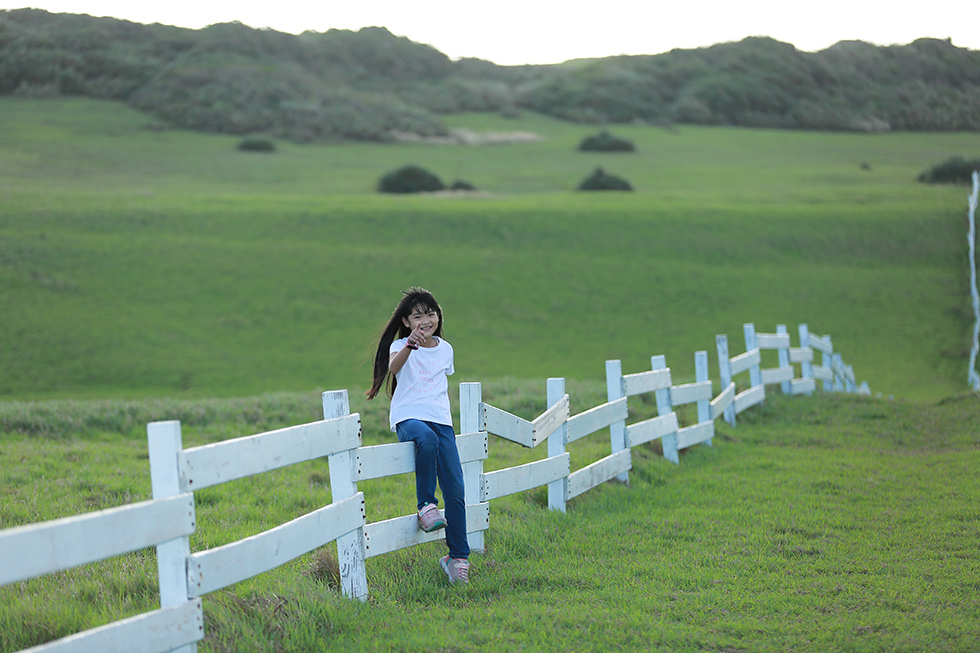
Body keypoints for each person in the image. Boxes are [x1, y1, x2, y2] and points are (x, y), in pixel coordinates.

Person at [367, 287, 470, 584]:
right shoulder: (400, 345)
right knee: (426, 439)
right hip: (409, 418)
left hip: (442, 421)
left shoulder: (445, 349)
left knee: (456, 490)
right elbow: (394, 368)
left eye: (430, 314)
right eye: (418, 316)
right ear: (407, 321)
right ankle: (426, 505)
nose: (425, 320)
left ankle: (457, 558)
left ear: (438, 316)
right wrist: (410, 346)